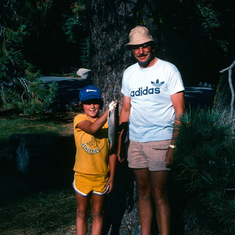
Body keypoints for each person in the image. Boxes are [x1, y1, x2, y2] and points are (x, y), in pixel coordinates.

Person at [118, 26, 185, 235]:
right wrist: (120, 144)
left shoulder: (168, 70)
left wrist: (173, 145)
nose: (140, 51)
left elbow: (181, 111)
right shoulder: (129, 73)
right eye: (136, 48)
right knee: (143, 192)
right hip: (136, 143)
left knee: (159, 193)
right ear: (131, 50)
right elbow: (126, 110)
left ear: (152, 46)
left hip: (162, 141)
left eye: (144, 46)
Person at [72, 85, 117, 235]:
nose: (92, 106)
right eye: (88, 103)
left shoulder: (108, 122)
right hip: (82, 176)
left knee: (98, 213)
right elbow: (92, 129)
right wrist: (109, 112)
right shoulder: (79, 119)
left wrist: (111, 177)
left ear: (101, 103)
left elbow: (112, 151)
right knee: (82, 213)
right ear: (81, 105)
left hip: (101, 177)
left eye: (96, 102)